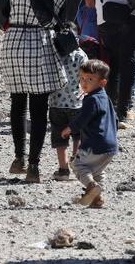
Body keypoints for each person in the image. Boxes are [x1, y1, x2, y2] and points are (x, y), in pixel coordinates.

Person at [1, 0, 69, 183]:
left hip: (14, 43)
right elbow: (62, 20)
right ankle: (34, 166)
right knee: (39, 109)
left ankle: (18, 157)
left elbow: (3, 12)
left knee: (17, 103)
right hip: (41, 43)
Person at [61, 59, 118, 208]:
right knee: (97, 171)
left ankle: (92, 187)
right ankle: (97, 198)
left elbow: (83, 118)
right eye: (82, 78)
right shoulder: (106, 98)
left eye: (90, 79)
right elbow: (116, 120)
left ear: (102, 83)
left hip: (94, 143)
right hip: (110, 146)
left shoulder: (91, 99)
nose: (84, 82)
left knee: (78, 165)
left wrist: (70, 128)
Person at [49, 47, 88, 181]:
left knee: (60, 138)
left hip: (56, 103)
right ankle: (76, 158)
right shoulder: (80, 54)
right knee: (78, 134)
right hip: (77, 102)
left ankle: (63, 169)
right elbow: (87, 77)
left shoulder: (53, 52)